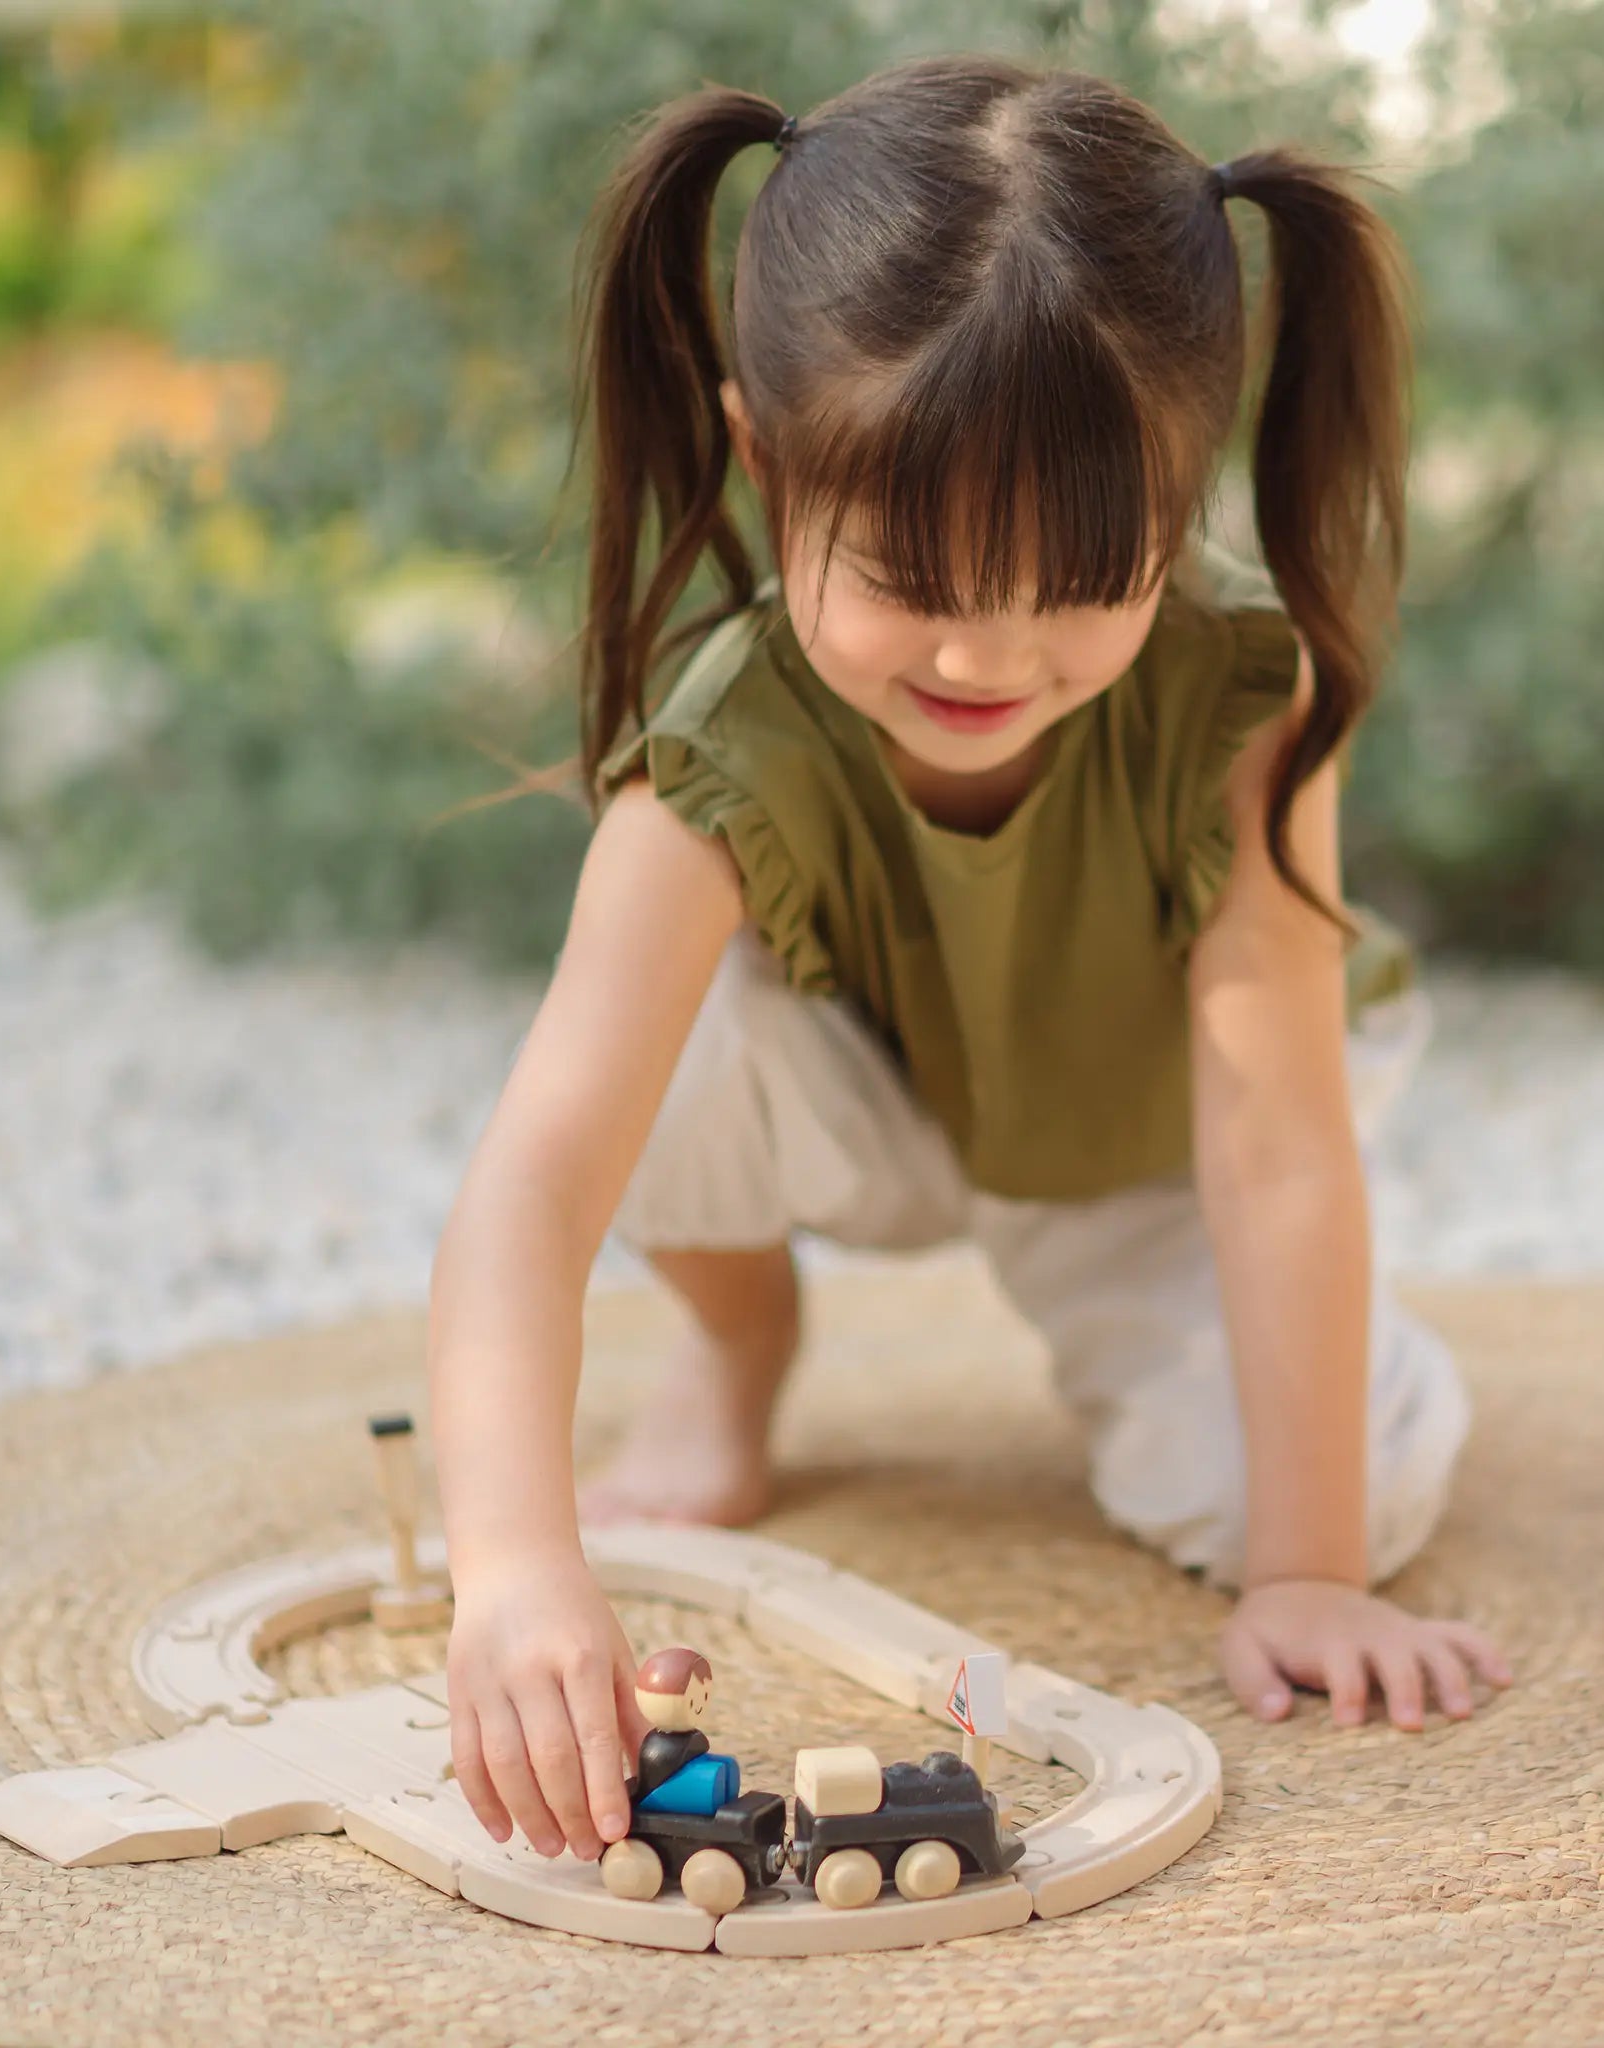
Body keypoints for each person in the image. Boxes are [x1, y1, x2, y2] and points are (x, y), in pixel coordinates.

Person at [428, 54, 1512, 1869]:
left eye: (1081, 584)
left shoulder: (1242, 703)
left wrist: (1309, 1568)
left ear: (1179, 500)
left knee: (1344, 1492)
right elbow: (532, 1183)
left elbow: (1274, 1147)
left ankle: (1313, 1405)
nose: (987, 657)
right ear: (767, 465)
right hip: (898, 1081)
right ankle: (737, 1351)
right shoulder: (720, 754)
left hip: (1155, 1130)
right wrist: (513, 1567)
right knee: (636, 1043)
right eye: (916, 581)